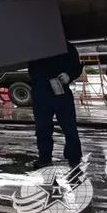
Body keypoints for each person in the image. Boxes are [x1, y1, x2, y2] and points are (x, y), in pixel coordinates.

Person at [27, 41, 83, 170]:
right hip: (41, 91)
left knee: (69, 126)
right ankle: (45, 157)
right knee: (42, 127)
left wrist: (69, 75)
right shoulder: (35, 47)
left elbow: (76, 66)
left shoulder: (66, 46)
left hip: (60, 91)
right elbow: (32, 69)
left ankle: (74, 157)